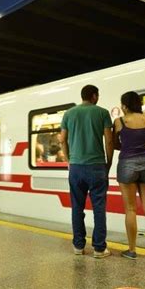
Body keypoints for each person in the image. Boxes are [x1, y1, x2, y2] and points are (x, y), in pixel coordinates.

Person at [60, 85, 113, 258]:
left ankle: (78, 246)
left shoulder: (69, 114)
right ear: (94, 96)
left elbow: (62, 140)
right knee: (99, 208)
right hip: (97, 166)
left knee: (77, 207)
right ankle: (99, 249)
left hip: (75, 167)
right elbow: (109, 142)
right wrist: (108, 163)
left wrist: (69, 160)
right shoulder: (103, 113)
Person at [112, 91, 145, 261]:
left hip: (127, 162)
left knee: (130, 209)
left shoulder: (119, 121)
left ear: (125, 105)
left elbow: (114, 144)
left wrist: (128, 146)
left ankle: (132, 250)